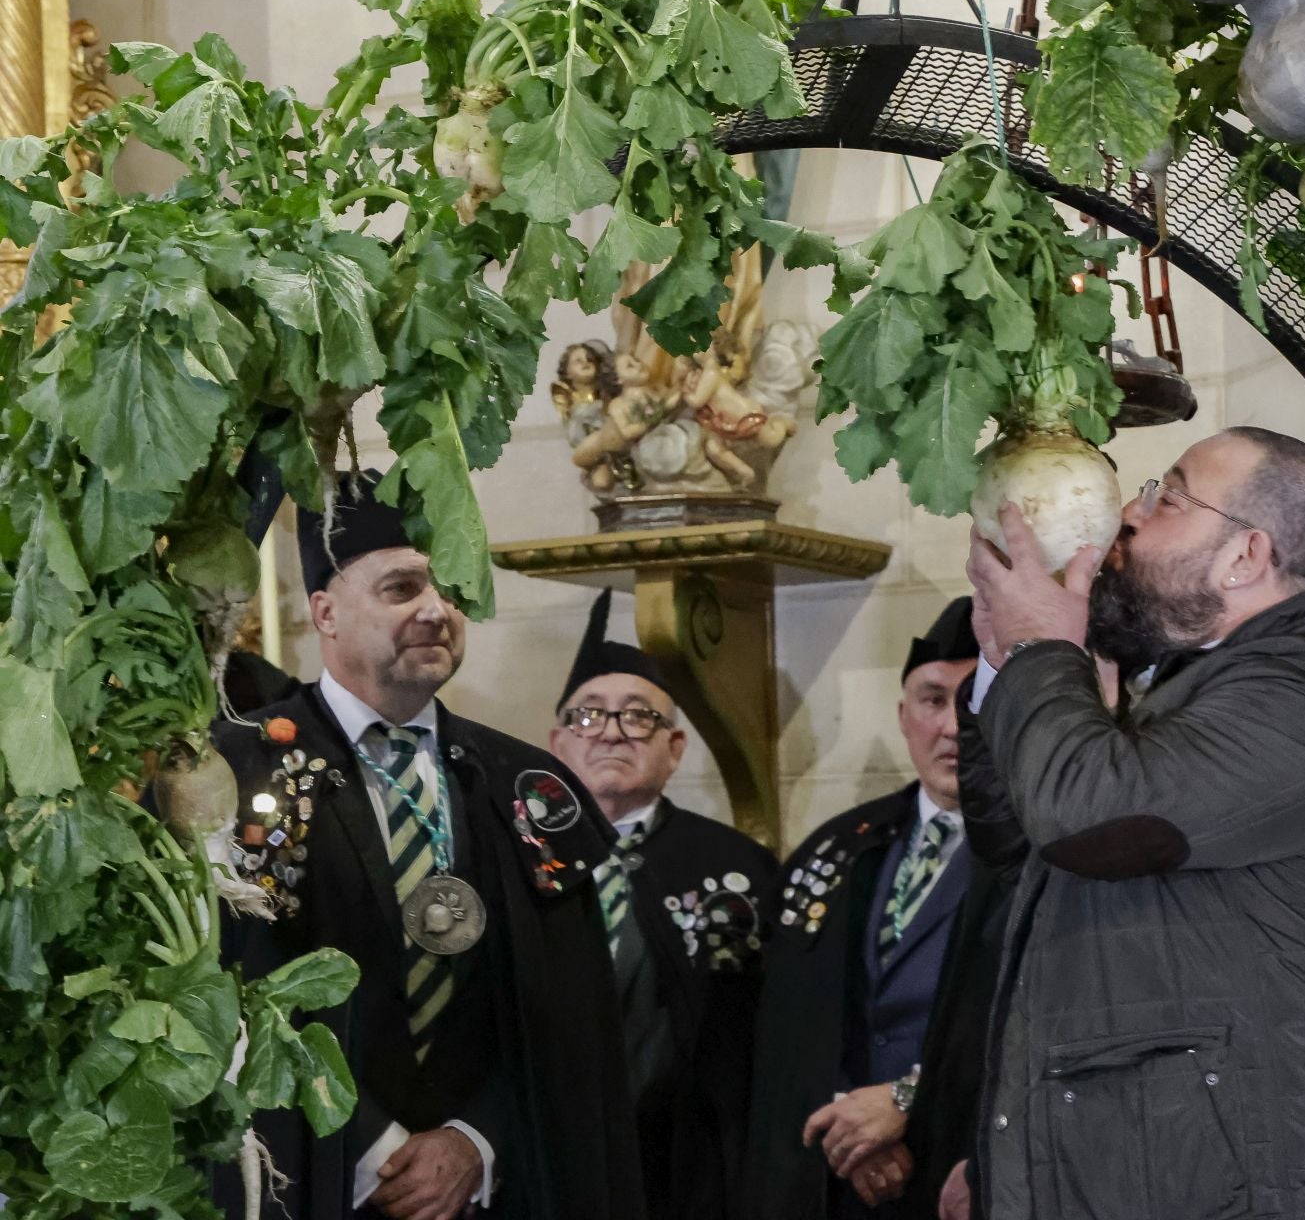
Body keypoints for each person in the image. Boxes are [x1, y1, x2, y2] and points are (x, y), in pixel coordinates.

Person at [956, 427, 1305, 1220]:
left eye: (1165, 498)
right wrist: (1009, 662)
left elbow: (1091, 818)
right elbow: (1018, 841)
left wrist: (1045, 645)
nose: (1128, 518)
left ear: (1245, 556)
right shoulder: (1192, 687)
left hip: (1293, 1180)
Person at [209, 471, 642, 1220]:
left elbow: (569, 1018)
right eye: (402, 588)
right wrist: (370, 1148)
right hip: (311, 1178)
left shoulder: (525, 784)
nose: (437, 610)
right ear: (326, 613)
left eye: (446, 589)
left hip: (492, 1189)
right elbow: (231, 984)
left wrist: (476, 1140)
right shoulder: (233, 768)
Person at [740, 598, 1008, 1220]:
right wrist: (852, 1130)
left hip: (967, 1168)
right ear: (902, 714)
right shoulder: (841, 844)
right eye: (933, 699)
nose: (952, 726)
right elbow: (789, 1024)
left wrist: (909, 1103)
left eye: (974, 700)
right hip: (840, 1175)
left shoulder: (1043, 849)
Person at [549, 589, 779, 1220]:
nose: (613, 734)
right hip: (553, 1158)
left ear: (675, 748)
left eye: (639, 716)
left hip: (698, 1169)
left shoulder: (737, 867)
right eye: (588, 716)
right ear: (557, 744)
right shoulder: (514, 864)